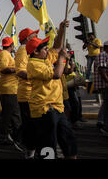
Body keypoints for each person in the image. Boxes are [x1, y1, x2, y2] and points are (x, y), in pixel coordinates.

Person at [26, 20, 77, 159]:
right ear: (35, 52)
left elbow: (57, 47)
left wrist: (61, 29)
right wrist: (61, 59)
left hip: (57, 107)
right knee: (48, 147)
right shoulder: (33, 64)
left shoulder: (44, 59)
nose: (47, 50)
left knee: (68, 140)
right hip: (44, 109)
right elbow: (56, 74)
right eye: (44, 48)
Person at [15, 28, 39, 158]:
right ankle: (26, 147)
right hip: (27, 94)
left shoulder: (29, 50)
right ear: (27, 38)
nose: (36, 36)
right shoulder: (23, 50)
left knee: (33, 125)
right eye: (34, 35)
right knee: (30, 125)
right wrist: (38, 75)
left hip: (34, 93)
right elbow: (20, 71)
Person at [0, 37, 22, 151]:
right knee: (12, 114)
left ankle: (5, 136)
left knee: (9, 114)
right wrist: (18, 69)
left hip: (11, 89)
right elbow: (3, 69)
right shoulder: (4, 54)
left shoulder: (6, 54)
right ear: (11, 45)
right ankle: (8, 137)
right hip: (8, 89)